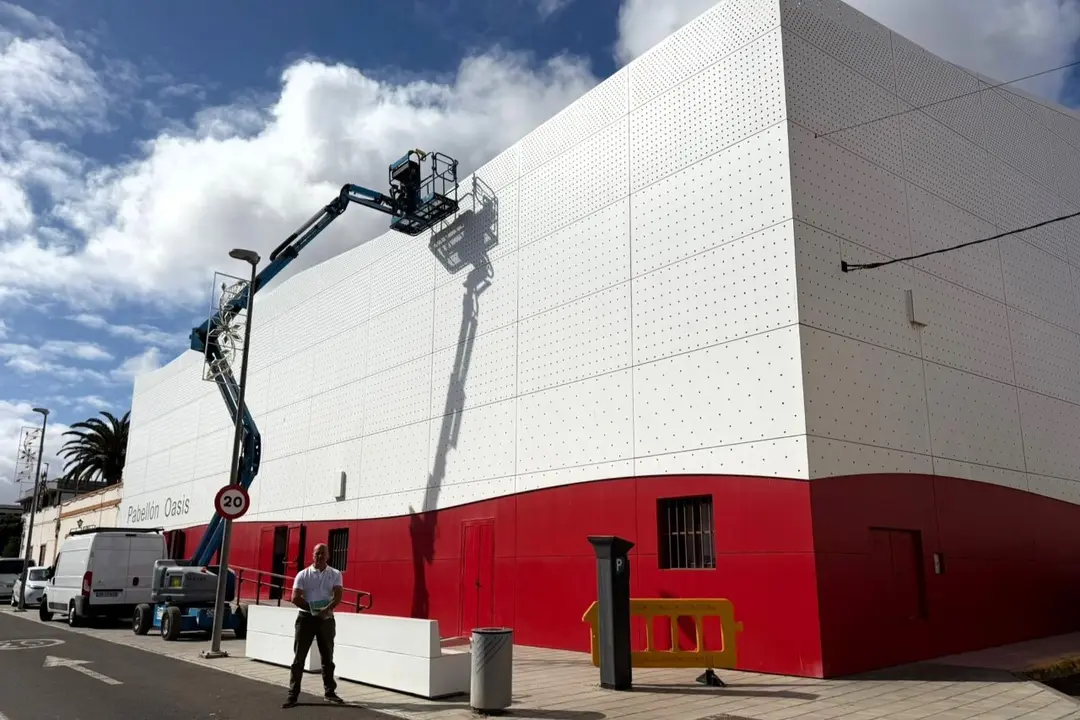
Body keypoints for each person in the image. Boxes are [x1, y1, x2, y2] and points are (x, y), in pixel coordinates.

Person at [282, 543, 344, 708]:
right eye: (317, 553)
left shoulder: (335, 574)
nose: (320, 556)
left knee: (327, 658)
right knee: (299, 658)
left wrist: (327, 609)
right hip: (306, 619)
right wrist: (314, 609)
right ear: (312, 555)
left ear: (328, 555)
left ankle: (330, 692)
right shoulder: (303, 574)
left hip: (327, 620)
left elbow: (338, 595)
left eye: (323, 553)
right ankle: (293, 695)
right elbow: (295, 597)